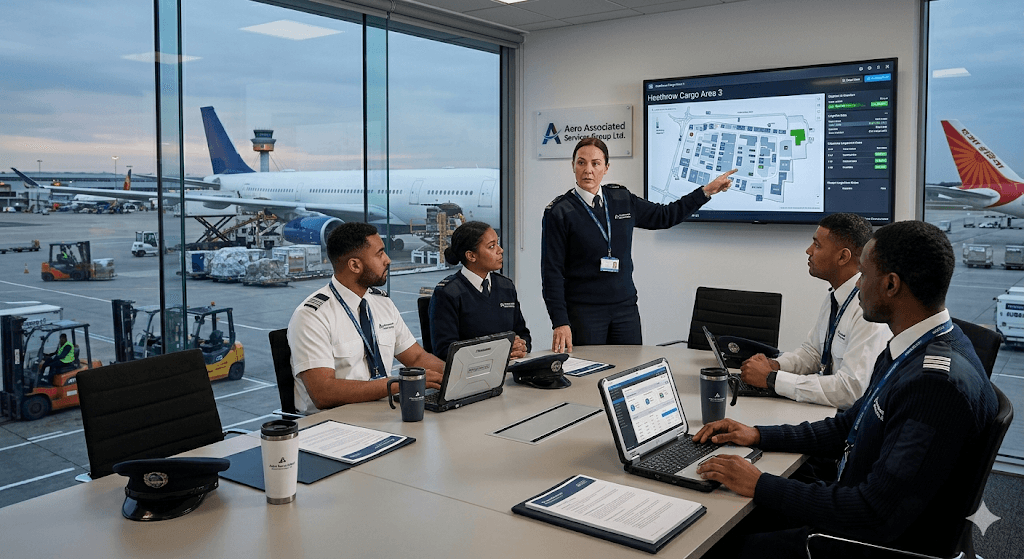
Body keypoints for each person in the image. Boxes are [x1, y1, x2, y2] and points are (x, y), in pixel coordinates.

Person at [693, 220, 998, 559]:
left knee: (719, 541)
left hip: (860, 540)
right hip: (850, 499)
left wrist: (760, 483)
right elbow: (846, 426)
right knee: (732, 506)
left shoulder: (935, 385)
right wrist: (756, 434)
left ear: (891, 285)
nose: (857, 287)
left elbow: (872, 511)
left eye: (864, 276)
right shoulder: (914, 347)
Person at [542, 137, 736, 351]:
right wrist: (560, 321)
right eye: (581, 162)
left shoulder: (621, 198)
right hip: (585, 312)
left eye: (595, 163)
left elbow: (665, 215)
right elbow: (552, 273)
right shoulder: (559, 212)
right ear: (573, 166)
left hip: (625, 310)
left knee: (629, 372)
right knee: (589, 373)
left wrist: (705, 192)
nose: (588, 170)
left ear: (606, 168)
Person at [287, 222, 446, 413]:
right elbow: (323, 393)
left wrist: (458, 373)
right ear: (354, 265)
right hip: (334, 422)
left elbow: (416, 357)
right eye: (379, 254)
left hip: (383, 412)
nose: (387, 260)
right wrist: (400, 384)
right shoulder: (312, 316)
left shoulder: (382, 303)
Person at [739, 213, 891, 409]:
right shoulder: (835, 298)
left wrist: (772, 379)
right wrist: (775, 365)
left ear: (843, 256)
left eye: (817, 245)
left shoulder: (868, 310)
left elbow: (852, 390)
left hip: (845, 422)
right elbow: (812, 354)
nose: (808, 251)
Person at [428, 221, 531, 360]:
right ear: (471, 256)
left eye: (498, 243)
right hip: (472, 375)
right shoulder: (448, 293)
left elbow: (523, 334)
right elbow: (445, 351)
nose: (500, 250)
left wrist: (521, 346)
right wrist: (497, 351)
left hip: (509, 370)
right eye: (492, 246)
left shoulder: (506, 286)